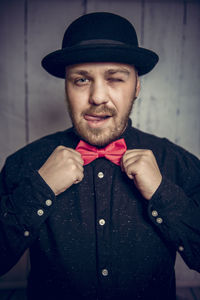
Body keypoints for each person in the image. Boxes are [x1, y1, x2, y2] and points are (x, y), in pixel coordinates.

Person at [0, 12, 200, 300]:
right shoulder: (25, 164)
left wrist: (162, 193)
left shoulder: (178, 164)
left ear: (137, 87)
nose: (97, 97)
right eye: (81, 80)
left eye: (115, 79)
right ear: (66, 87)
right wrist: (38, 190)